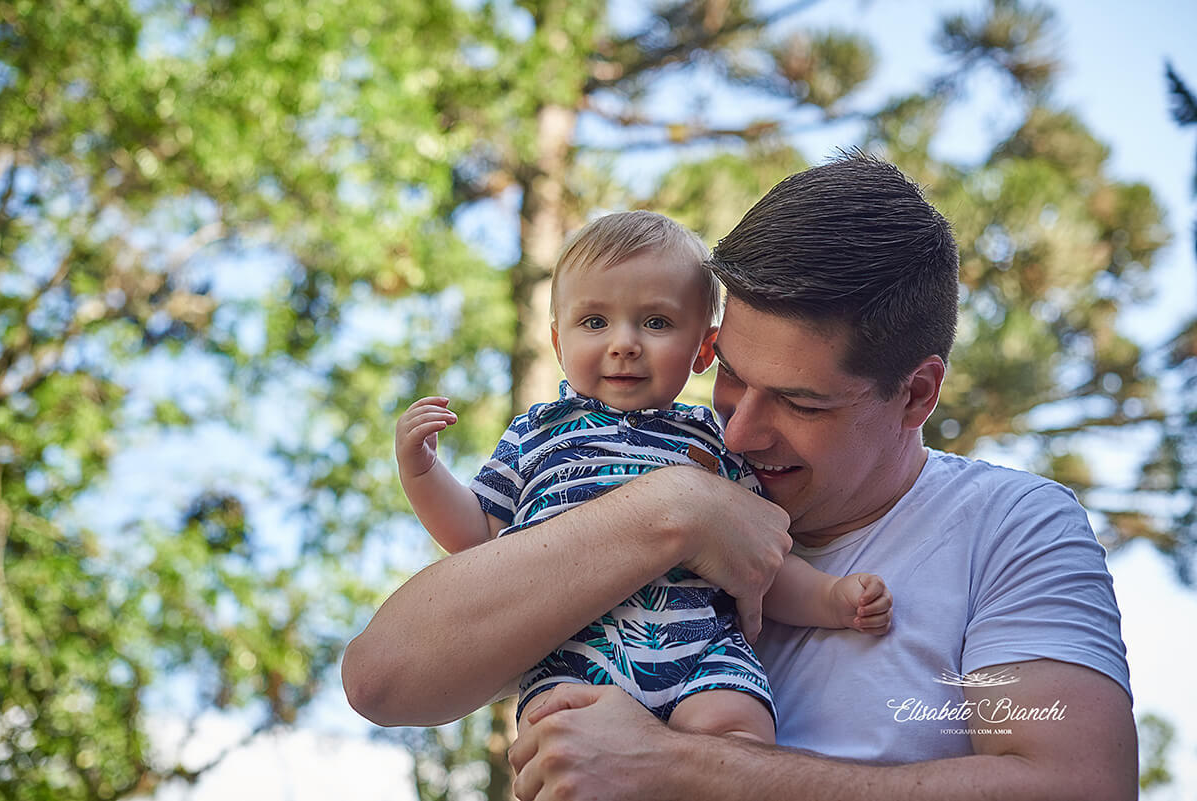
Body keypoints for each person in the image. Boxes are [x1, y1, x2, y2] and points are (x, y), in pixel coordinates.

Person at [343, 152, 1137, 801]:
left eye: (798, 401)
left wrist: (678, 766)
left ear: (918, 393)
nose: (742, 428)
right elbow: (382, 680)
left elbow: (1079, 785)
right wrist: (677, 507)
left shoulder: (1008, 525)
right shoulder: (646, 476)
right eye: (728, 375)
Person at [391, 210, 891, 744]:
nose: (624, 342)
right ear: (559, 344)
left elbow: (760, 560)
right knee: (563, 756)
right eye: (595, 322)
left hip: (701, 652)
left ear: (704, 349)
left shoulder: (714, 443)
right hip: (572, 662)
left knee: (737, 734)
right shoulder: (535, 435)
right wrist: (422, 472)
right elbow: (476, 535)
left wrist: (831, 598)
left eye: (656, 322)